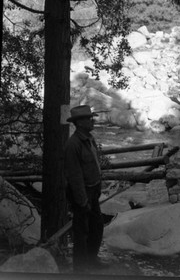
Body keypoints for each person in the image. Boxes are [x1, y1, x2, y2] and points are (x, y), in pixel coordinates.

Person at [64, 105, 107, 273]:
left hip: (92, 190)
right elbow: (74, 177)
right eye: (89, 118)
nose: (92, 120)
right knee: (81, 231)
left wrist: (97, 188)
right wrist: (82, 200)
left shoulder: (89, 138)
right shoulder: (73, 145)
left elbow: (94, 166)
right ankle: (80, 268)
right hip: (81, 193)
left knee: (97, 227)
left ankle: (91, 259)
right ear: (80, 123)